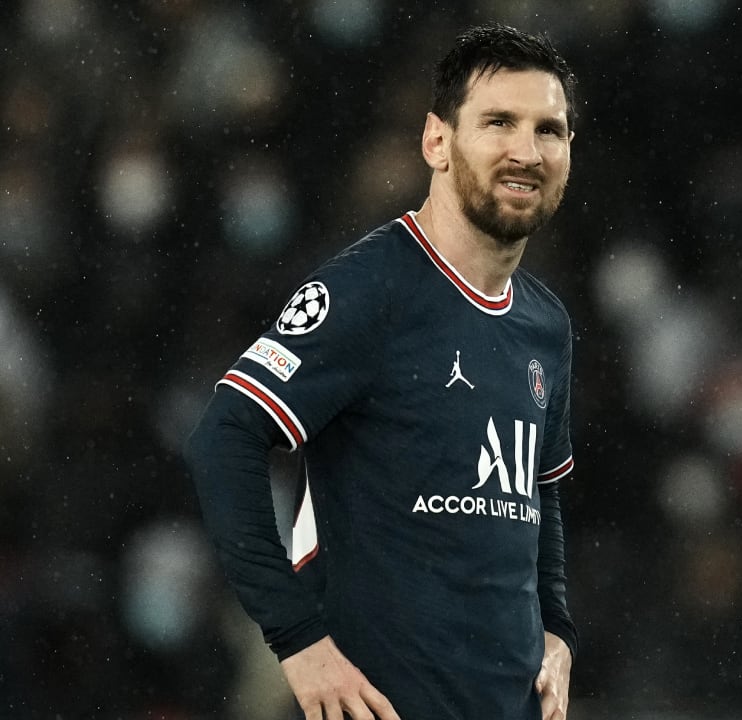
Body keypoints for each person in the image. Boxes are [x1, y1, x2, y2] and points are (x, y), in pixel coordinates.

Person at [186, 23, 580, 720]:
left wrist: (557, 631)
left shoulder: (545, 325)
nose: (527, 151)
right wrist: (299, 640)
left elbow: (539, 497)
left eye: (549, 130)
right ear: (437, 141)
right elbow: (226, 436)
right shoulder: (371, 290)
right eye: (498, 123)